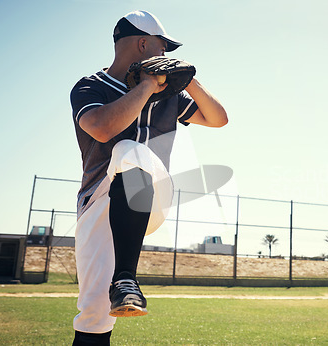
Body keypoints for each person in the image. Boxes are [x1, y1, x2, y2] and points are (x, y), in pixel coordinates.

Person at [70, 10, 227, 345]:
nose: (166, 56)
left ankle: (126, 276)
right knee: (93, 317)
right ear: (143, 43)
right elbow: (101, 127)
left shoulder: (170, 95)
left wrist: (190, 80)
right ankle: (120, 289)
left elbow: (218, 119)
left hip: (151, 196)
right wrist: (144, 86)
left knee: (132, 151)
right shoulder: (90, 87)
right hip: (97, 205)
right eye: (162, 48)